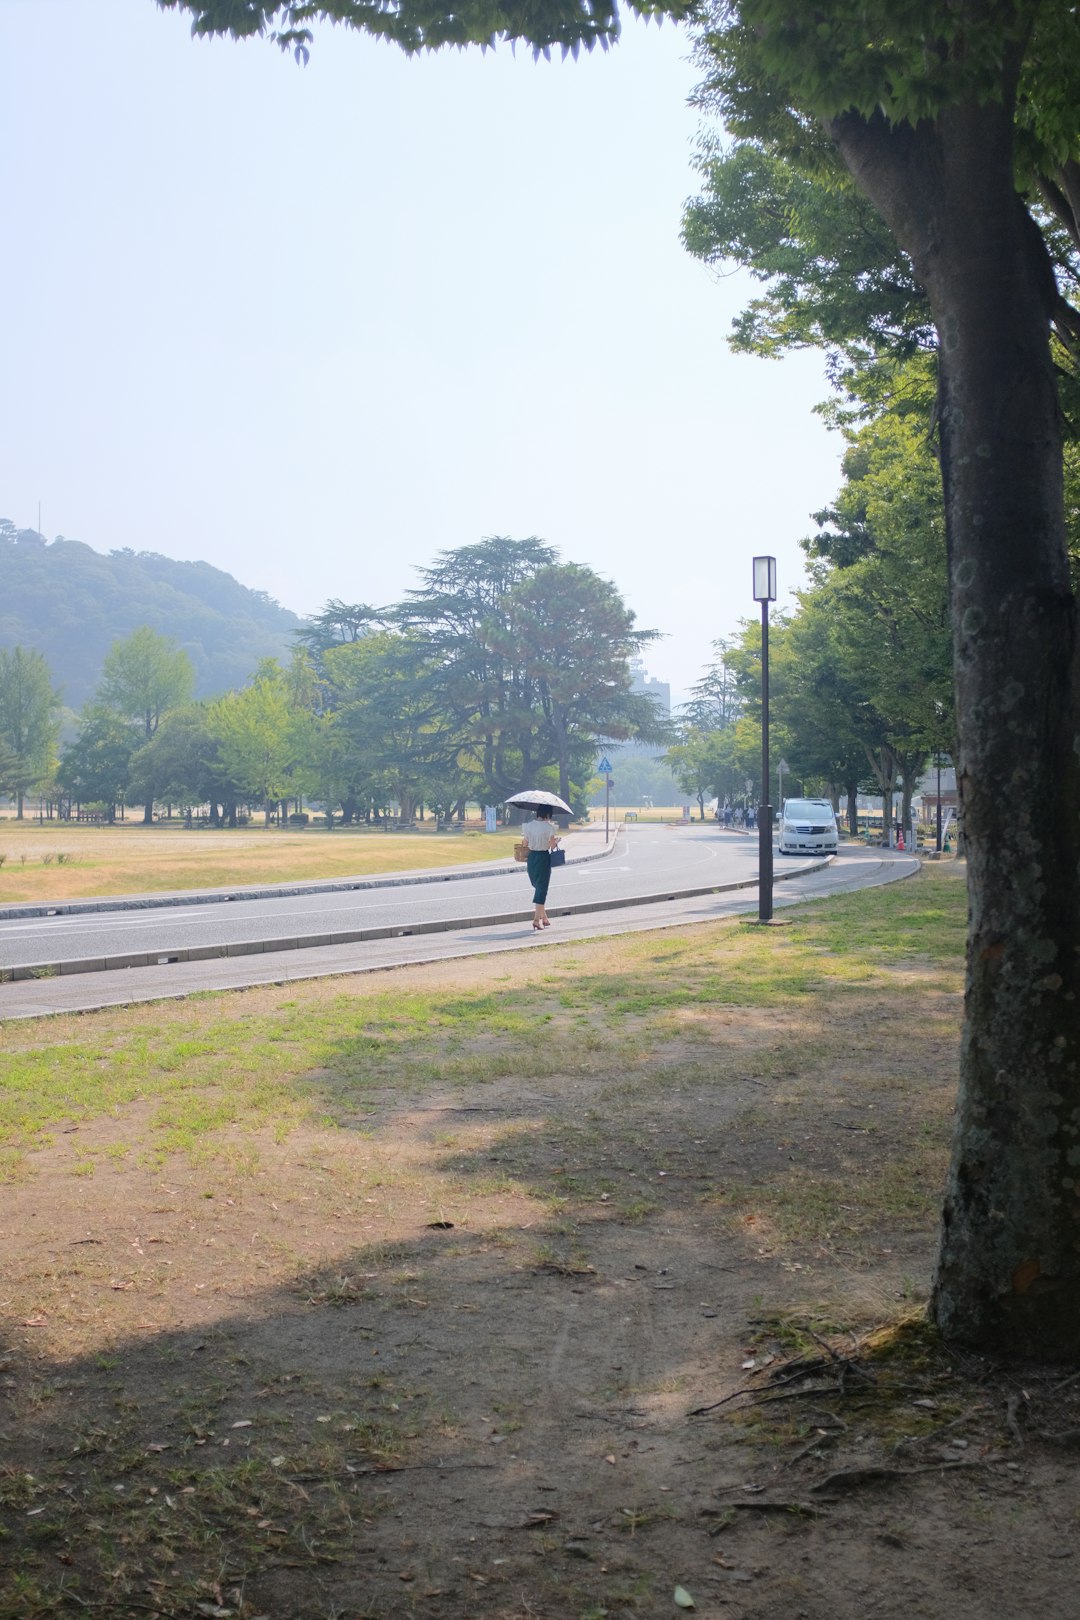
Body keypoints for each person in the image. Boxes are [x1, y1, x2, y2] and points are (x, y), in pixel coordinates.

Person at [522, 806, 560, 930]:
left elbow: (525, 844)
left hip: (532, 858)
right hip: (543, 857)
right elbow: (552, 846)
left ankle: (544, 918)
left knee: (537, 886)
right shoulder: (549, 827)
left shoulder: (528, 826)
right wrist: (556, 841)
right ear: (547, 814)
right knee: (542, 889)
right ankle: (536, 920)